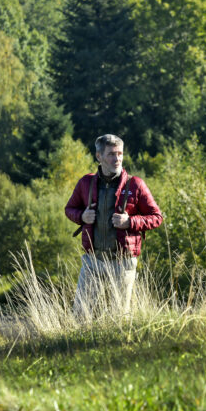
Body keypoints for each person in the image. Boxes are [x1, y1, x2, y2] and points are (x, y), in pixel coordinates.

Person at [64, 134, 163, 320]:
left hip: (123, 263)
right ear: (99, 156)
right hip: (93, 261)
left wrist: (130, 222)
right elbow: (69, 209)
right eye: (111, 154)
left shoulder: (136, 184)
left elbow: (157, 217)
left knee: (119, 318)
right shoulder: (86, 183)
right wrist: (81, 216)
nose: (117, 158)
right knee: (80, 316)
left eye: (120, 154)